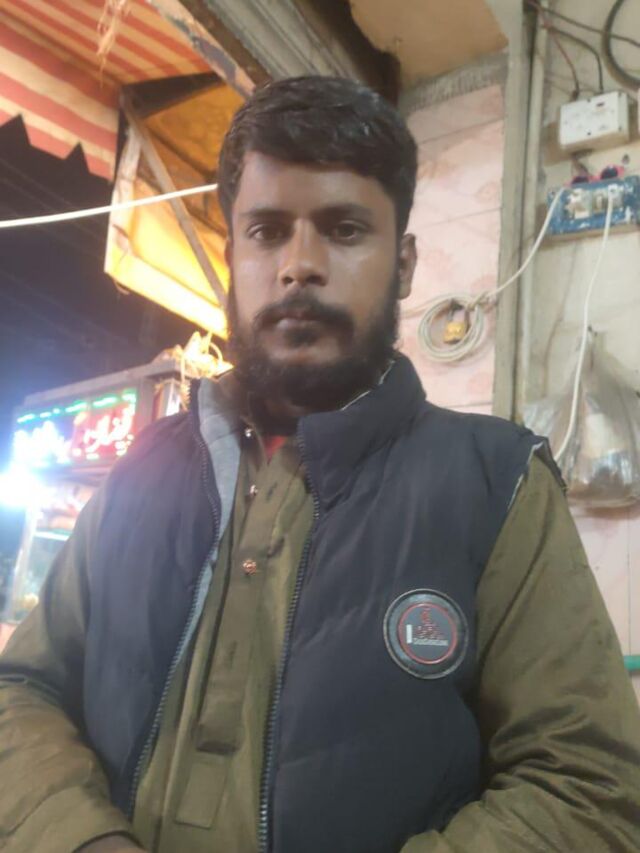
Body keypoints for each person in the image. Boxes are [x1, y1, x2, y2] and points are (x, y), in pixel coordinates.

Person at [1, 76, 639, 853]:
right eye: (267, 231)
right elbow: (23, 687)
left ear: (404, 264)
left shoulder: (496, 486)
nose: (300, 265)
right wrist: (79, 839)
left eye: (343, 229)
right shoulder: (141, 472)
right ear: (232, 256)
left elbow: (586, 787)